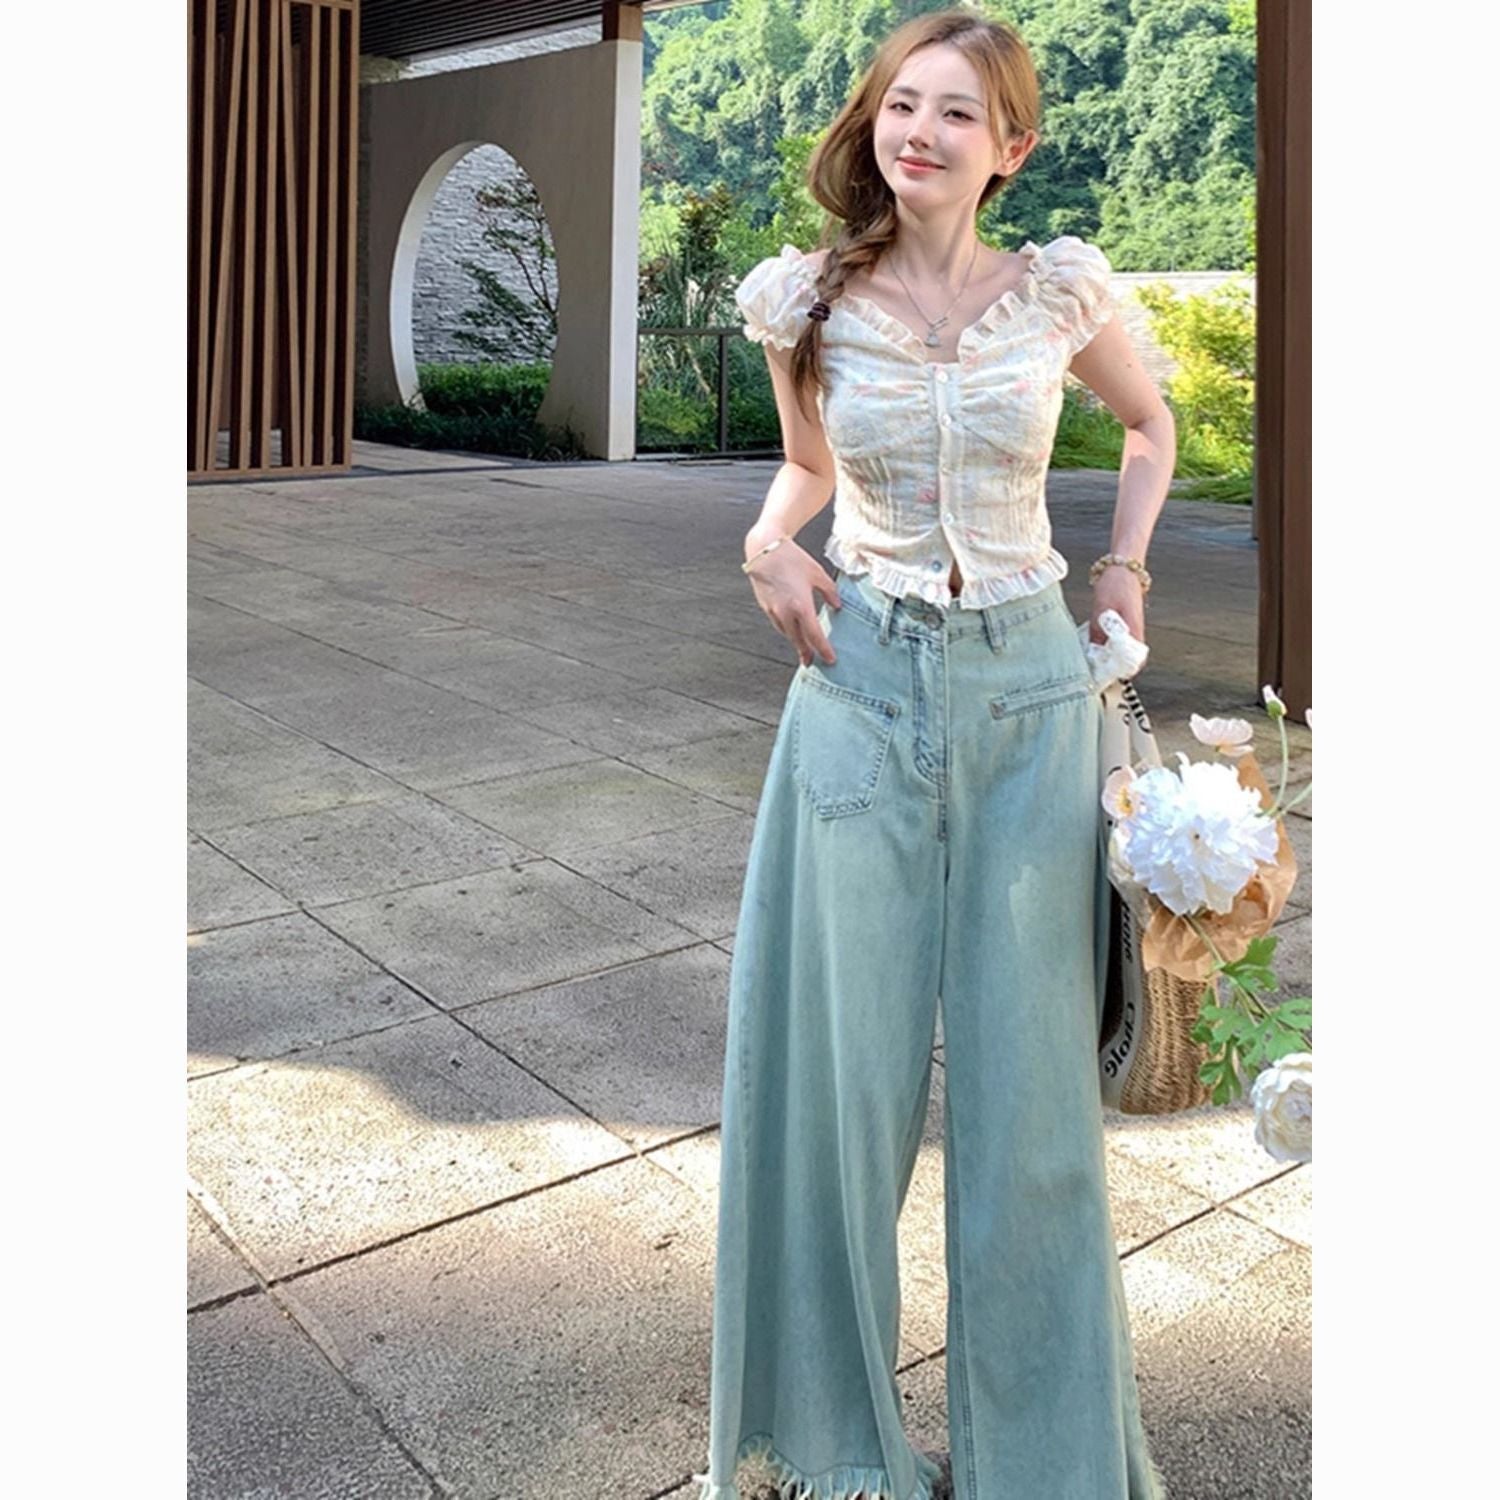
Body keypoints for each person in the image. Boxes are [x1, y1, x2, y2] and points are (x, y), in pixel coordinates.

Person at [692, 10, 1175, 1500]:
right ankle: (836, 1452)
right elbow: (805, 472)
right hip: (862, 684)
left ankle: (1047, 1465)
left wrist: (1125, 567)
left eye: (958, 112)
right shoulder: (807, 303)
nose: (921, 131)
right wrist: (766, 543)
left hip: (1033, 692)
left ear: (1008, 148)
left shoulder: (1059, 293)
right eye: (903, 104)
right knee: (836, 1087)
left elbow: (1150, 426)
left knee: (1034, 1105)